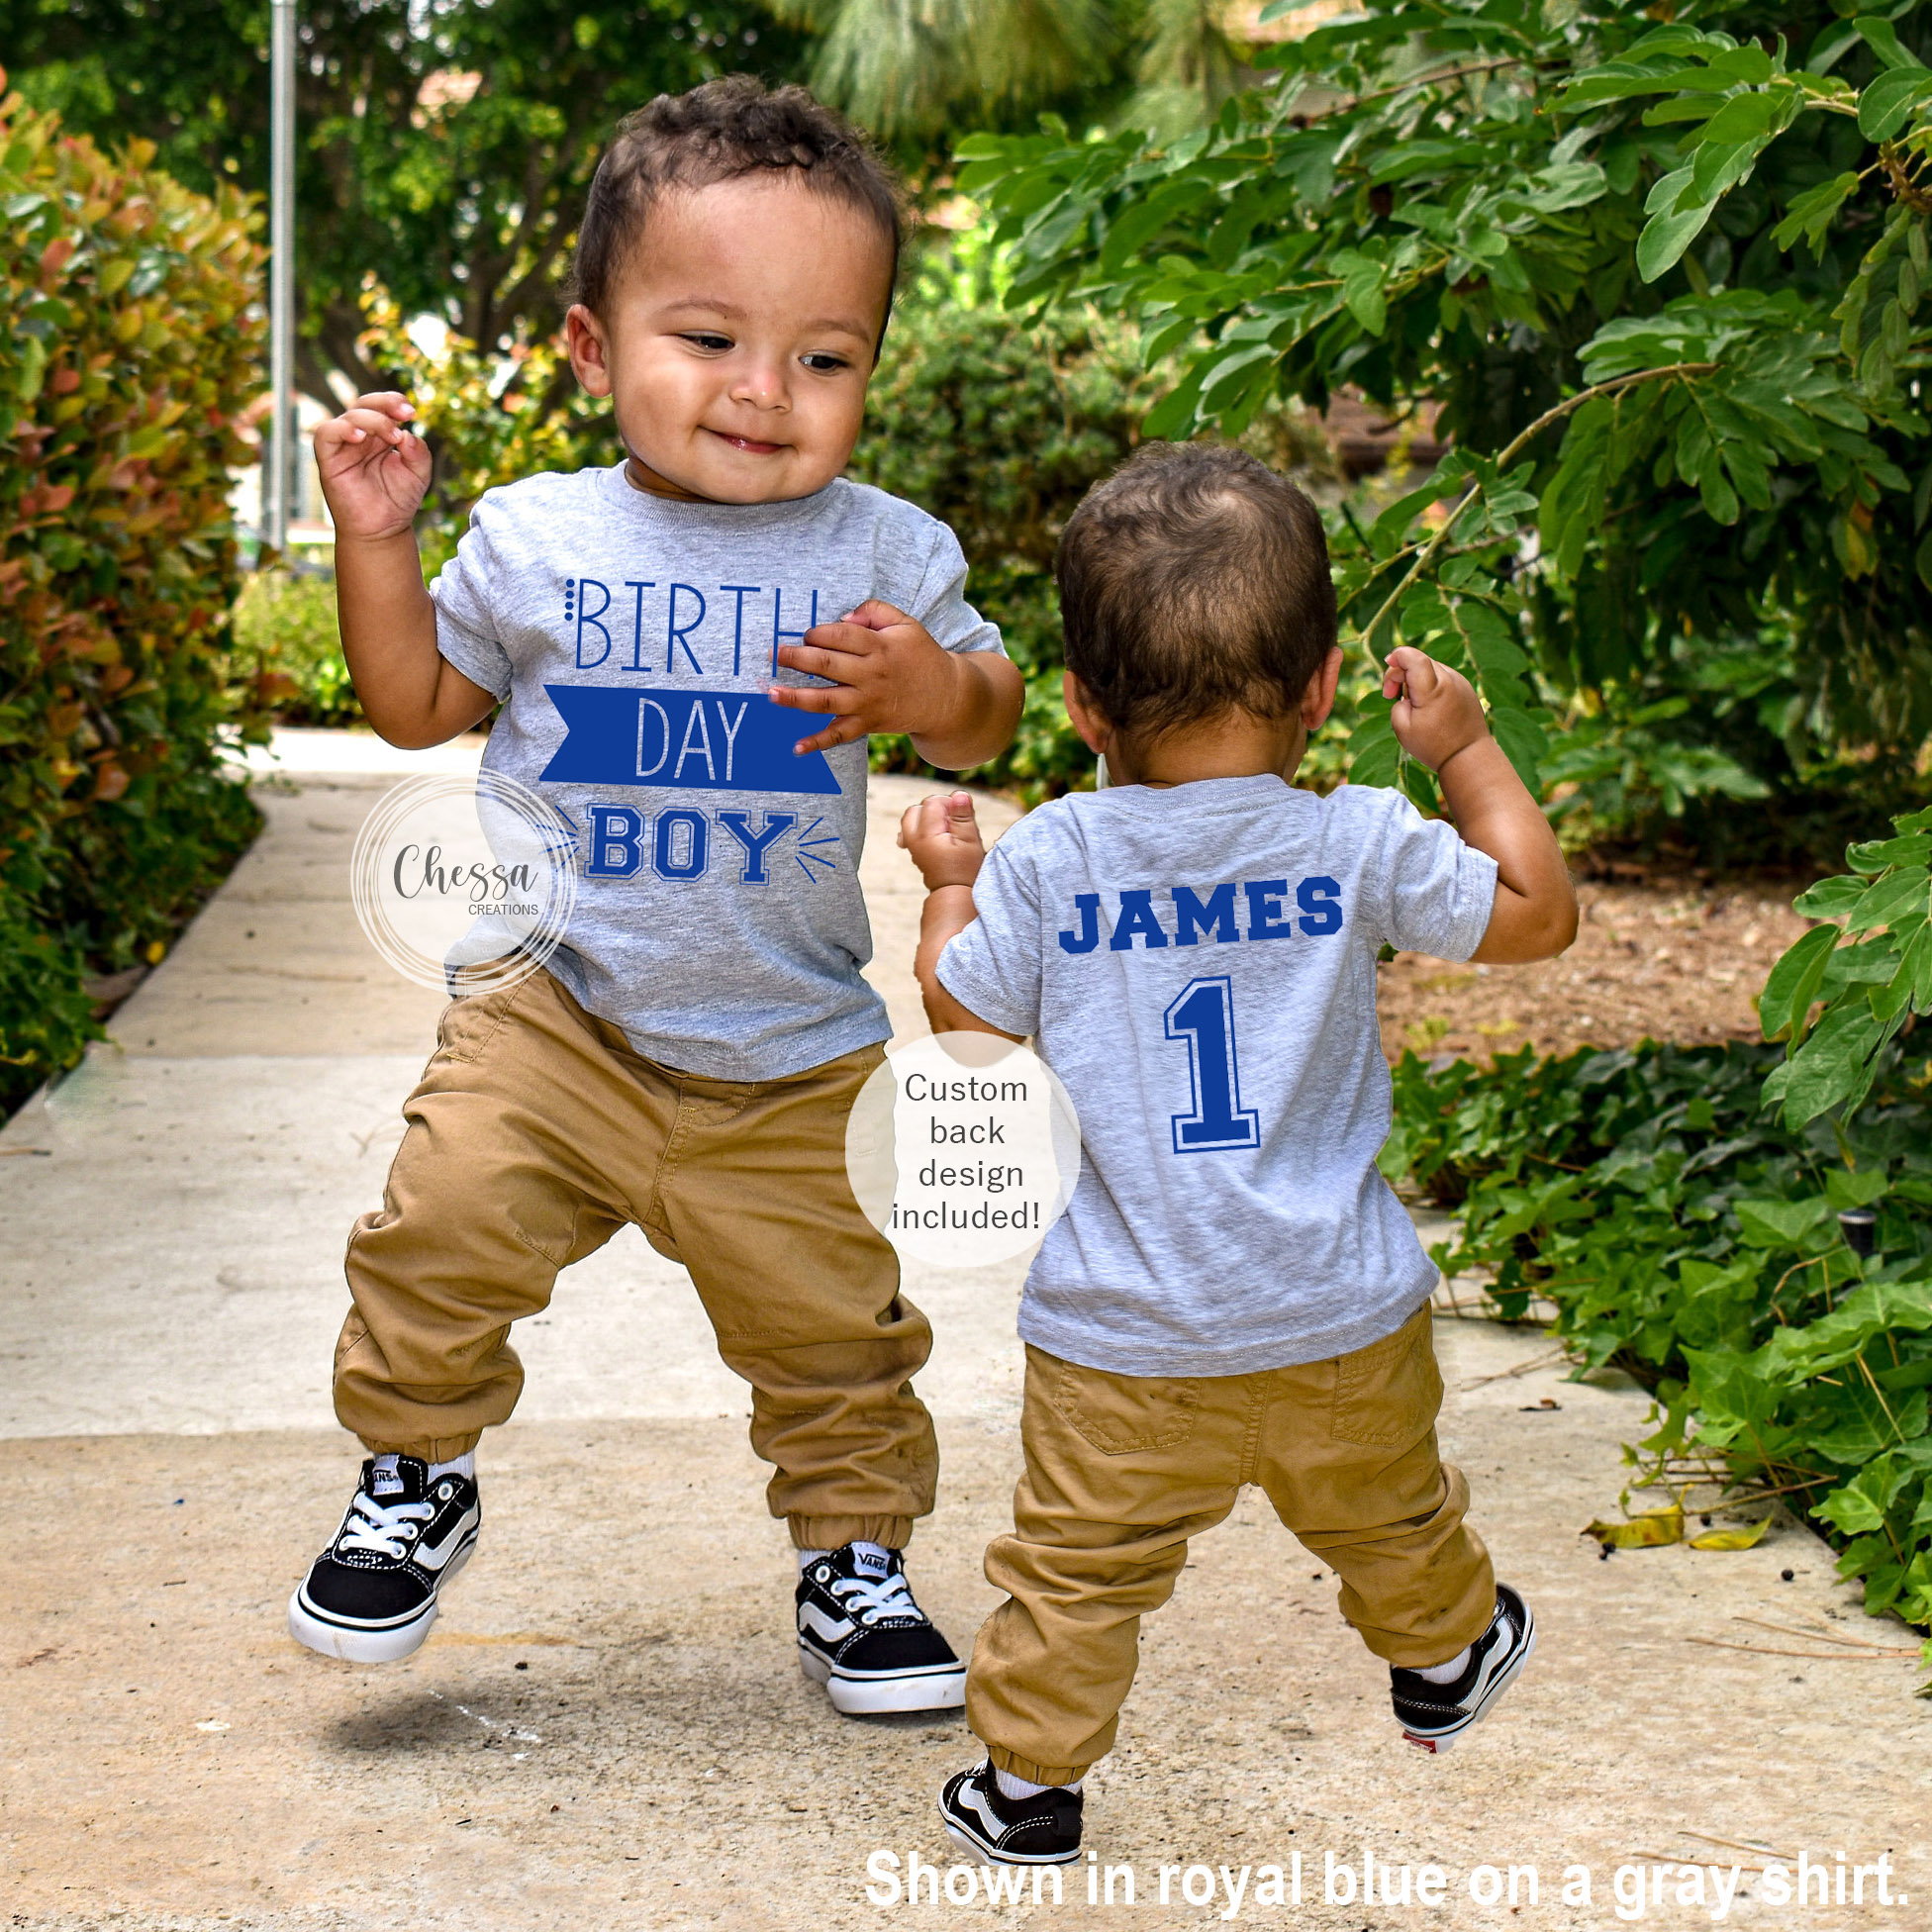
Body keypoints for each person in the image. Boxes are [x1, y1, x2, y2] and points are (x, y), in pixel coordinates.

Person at [285, 78, 1022, 1719]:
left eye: (825, 358)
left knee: (832, 1330)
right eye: (709, 340)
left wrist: (931, 690)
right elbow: (416, 705)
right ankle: (416, 1472)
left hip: (784, 1049)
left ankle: (856, 1558)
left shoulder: (887, 551)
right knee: (441, 1228)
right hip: (553, 1015)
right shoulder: (536, 536)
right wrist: (376, 544)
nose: (768, 393)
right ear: (590, 348)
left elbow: (993, 707)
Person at [897, 441, 1577, 1864]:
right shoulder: (1353, 844)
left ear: (1082, 702)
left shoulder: (1053, 861)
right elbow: (1533, 912)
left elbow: (964, 1018)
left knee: (1076, 1574)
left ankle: (1028, 1791)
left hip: (1123, 1335)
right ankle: (1447, 1659)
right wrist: (1462, 748)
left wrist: (954, 885)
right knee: (1393, 1520)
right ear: (1323, 687)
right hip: (1338, 1315)